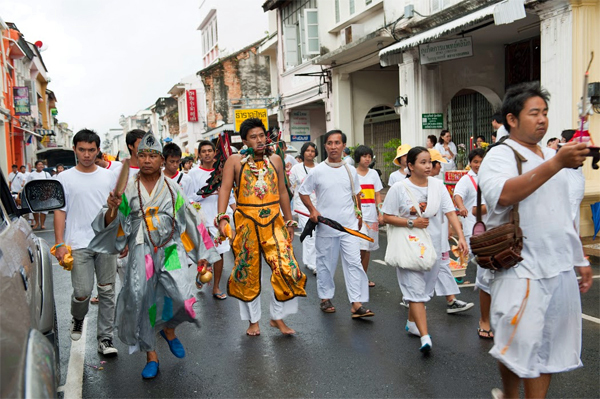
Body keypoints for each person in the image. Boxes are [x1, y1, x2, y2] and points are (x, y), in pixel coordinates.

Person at [478, 83, 592, 398]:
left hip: (558, 266)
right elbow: (503, 194)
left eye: (544, 113)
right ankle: (511, 394)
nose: (542, 119)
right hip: (520, 266)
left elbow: (562, 212)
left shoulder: (554, 154)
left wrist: (579, 257)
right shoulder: (500, 155)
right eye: (534, 113)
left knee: (548, 349)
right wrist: (555, 164)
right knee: (517, 344)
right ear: (512, 119)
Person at [90, 132, 220, 379]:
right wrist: (114, 209)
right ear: (138, 158)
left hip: (170, 247)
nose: (148, 160)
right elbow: (113, 222)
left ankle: (169, 330)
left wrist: (202, 253)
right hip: (141, 249)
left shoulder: (173, 188)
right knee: (142, 298)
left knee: (181, 295)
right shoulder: (128, 189)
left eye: (153, 155)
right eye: (143, 155)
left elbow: (190, 219)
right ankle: (151, 355)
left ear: (162, 160)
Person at [217, 118, 307, 336]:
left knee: (287, 268)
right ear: (245, 140)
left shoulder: (275, 159)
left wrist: (289, 220)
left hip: (274, 221)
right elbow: (225, 189)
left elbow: (284, 191)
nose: (258, 141)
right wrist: (222, 217)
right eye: (253, 137)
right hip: (246, 222)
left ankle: (277, 317)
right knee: (247, 271)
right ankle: (253, 321)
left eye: (261, 136)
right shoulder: (235, 161)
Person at [382, 147, 468, 353]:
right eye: (422, 162)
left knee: (424, 292)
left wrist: (461, 237)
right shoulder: (399, 188)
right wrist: (411, 223)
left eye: (429, 161)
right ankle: (425, 336)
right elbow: (386, 216)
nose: (428, 165)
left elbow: (450, 212)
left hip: (434, 247)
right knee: (415, 292)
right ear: (410, 166)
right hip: (408, 247)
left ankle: (412, 323)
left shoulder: (438, 186)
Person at [53, 129, 119, 355]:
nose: (87, 154)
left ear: (98, 150)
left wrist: (122, 237)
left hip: (106, 242)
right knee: (82, 291)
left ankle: (106, 339)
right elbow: (60, 211)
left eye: (92, 150)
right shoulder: (64, 178)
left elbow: (117, 209)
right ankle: (78, 317)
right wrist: (60, 243)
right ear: (75, 149)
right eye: (82, 149)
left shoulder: (108, 176)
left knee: (107, 291)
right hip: (78, 243)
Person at [299, 129, 374, 318]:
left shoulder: (350, 170)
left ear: (343, 146)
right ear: (325, 146)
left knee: (354, 263)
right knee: (325, 264)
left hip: (348, 226)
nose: (333, 147)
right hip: (326, 226)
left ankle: (356, 304)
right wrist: (312, 210)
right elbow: (303, 191)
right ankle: (325, 298)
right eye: (330, 143)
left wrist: (359, 215)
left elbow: (356, 193)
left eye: (337, 143)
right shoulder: (317, 171)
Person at [188, 140, 237, 300]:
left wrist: (237, 212)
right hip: (201, 217)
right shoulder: (193, 174)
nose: (207, 153)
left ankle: (216, 287)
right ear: (199, 154)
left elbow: (229, 195)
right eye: (204, 151)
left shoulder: (221, 172)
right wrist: (204, 194)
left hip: (219, 218)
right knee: (204, 254)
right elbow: (188, 198)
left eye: (210, 150)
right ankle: (201, 273)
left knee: (220, 253)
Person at [353, 145, 383, 288]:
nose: (367, 159)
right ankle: (356, 276)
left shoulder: (374, 174)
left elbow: (377, 194)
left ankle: (362, 276)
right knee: (361, 247)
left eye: (369, 157)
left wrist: (380, 212)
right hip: (357, 218)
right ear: (358, 157)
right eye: (364, 156)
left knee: (368, 248)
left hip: (371, 216)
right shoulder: (352, 173)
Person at [289, 142, 319, 275]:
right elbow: (290, 185)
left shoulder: (319, 168)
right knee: (310, 233)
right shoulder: (296, 168)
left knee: (316, 234)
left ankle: (308, 260)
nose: (310, 153)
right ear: (303, 152)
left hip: (318, 205)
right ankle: (313, 263)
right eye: (307, 150)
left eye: (312, 151)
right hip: (302, 206)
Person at [560, 129, 586, 234]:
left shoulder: (572, 153)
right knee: (573, 218)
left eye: (562, 139)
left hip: (573, 191)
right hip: (572, 189)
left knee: (570, 218)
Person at [27, 160, 51, 229]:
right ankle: (37, 223)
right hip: (34, 195)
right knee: (35, 209)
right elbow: (28, 184)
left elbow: (50, 184)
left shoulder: (46, 174)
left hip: (44, 194)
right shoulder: (31, 175)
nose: (40, 166)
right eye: (39, 164)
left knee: (44, 210)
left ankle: (42, 224)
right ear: (36, 166)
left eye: (42, 164)